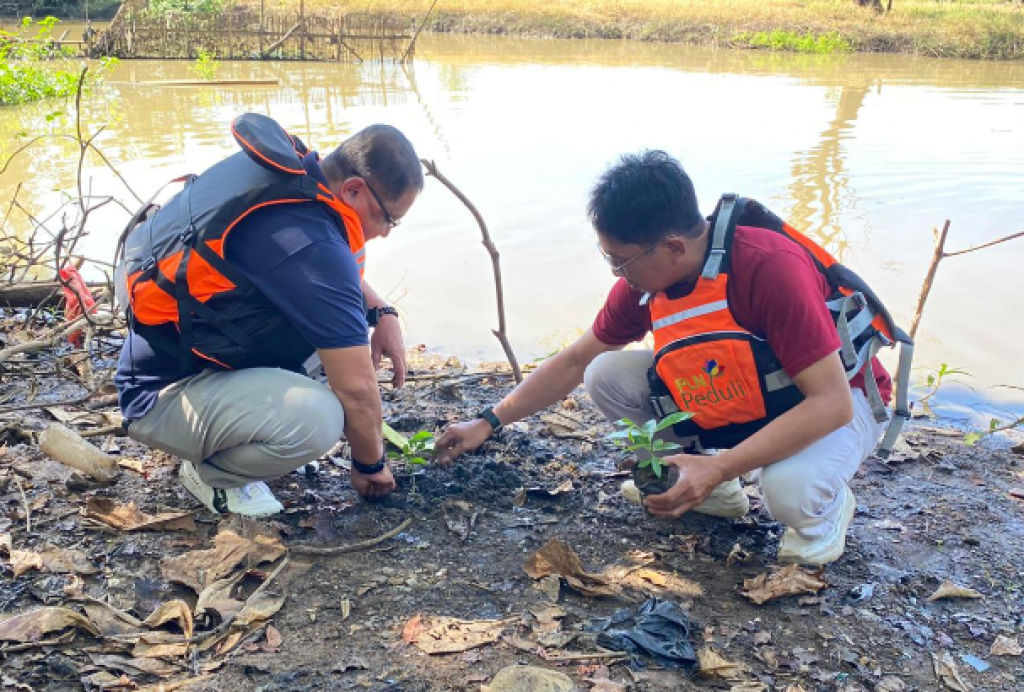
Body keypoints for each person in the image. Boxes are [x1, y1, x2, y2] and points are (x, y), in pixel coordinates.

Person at [436, 150, 911, 565]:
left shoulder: (768, 268)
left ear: (673, 247)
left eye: (618, 259)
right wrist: (487, 422)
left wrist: (723, 464)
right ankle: (711, 490)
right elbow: (576, 361)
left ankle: (823, 514)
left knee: (789, 494)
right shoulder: (646, 283)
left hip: (838, 402)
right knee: (606, 373)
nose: (615, 272)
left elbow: (830, 403)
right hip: (752, 396)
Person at [113, 113, 423, 517]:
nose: (385, 232)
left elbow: (323, 277)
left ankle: (237, 432)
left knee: (338, 335)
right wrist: (371, 466)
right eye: (389, 218)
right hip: (161, 396)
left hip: (191, 353)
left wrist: (381, 310)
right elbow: (359, 389)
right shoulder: (306, 240)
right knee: (320, 420)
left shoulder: (294, 185)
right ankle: (213, 473)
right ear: (353, 189)